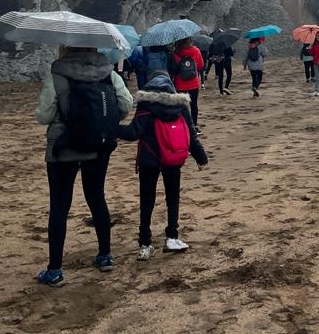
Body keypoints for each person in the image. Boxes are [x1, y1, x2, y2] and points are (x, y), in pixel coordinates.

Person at [35, 47, 133, 287]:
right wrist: (99, 120)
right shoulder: (109, 74)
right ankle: (105, 255)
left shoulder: (57, 74)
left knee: (59, 205)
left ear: (65, 48)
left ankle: (55, 269)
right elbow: (126, 104)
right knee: (96, 196)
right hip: (98, 144)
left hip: (64, 145)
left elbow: (43, 115)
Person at [116, 71, 208, 261]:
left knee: (147, 200)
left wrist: (111, 128)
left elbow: (134, 132)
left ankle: (145, 243)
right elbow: (191, 134)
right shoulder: (180, 105)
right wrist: (201, 157)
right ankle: (172, 237)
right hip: (173, 157)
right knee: (172, 197)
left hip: (149, 159)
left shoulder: (145, 105)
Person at [171, 38, 205, 134]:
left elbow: (173, 68)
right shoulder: (196, 50)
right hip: (193, 82)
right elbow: (200, 66)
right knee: (193, 104)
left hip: (180, 83)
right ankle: (193, 125)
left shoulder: (175, 52)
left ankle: (182, 125)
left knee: (181, 106)